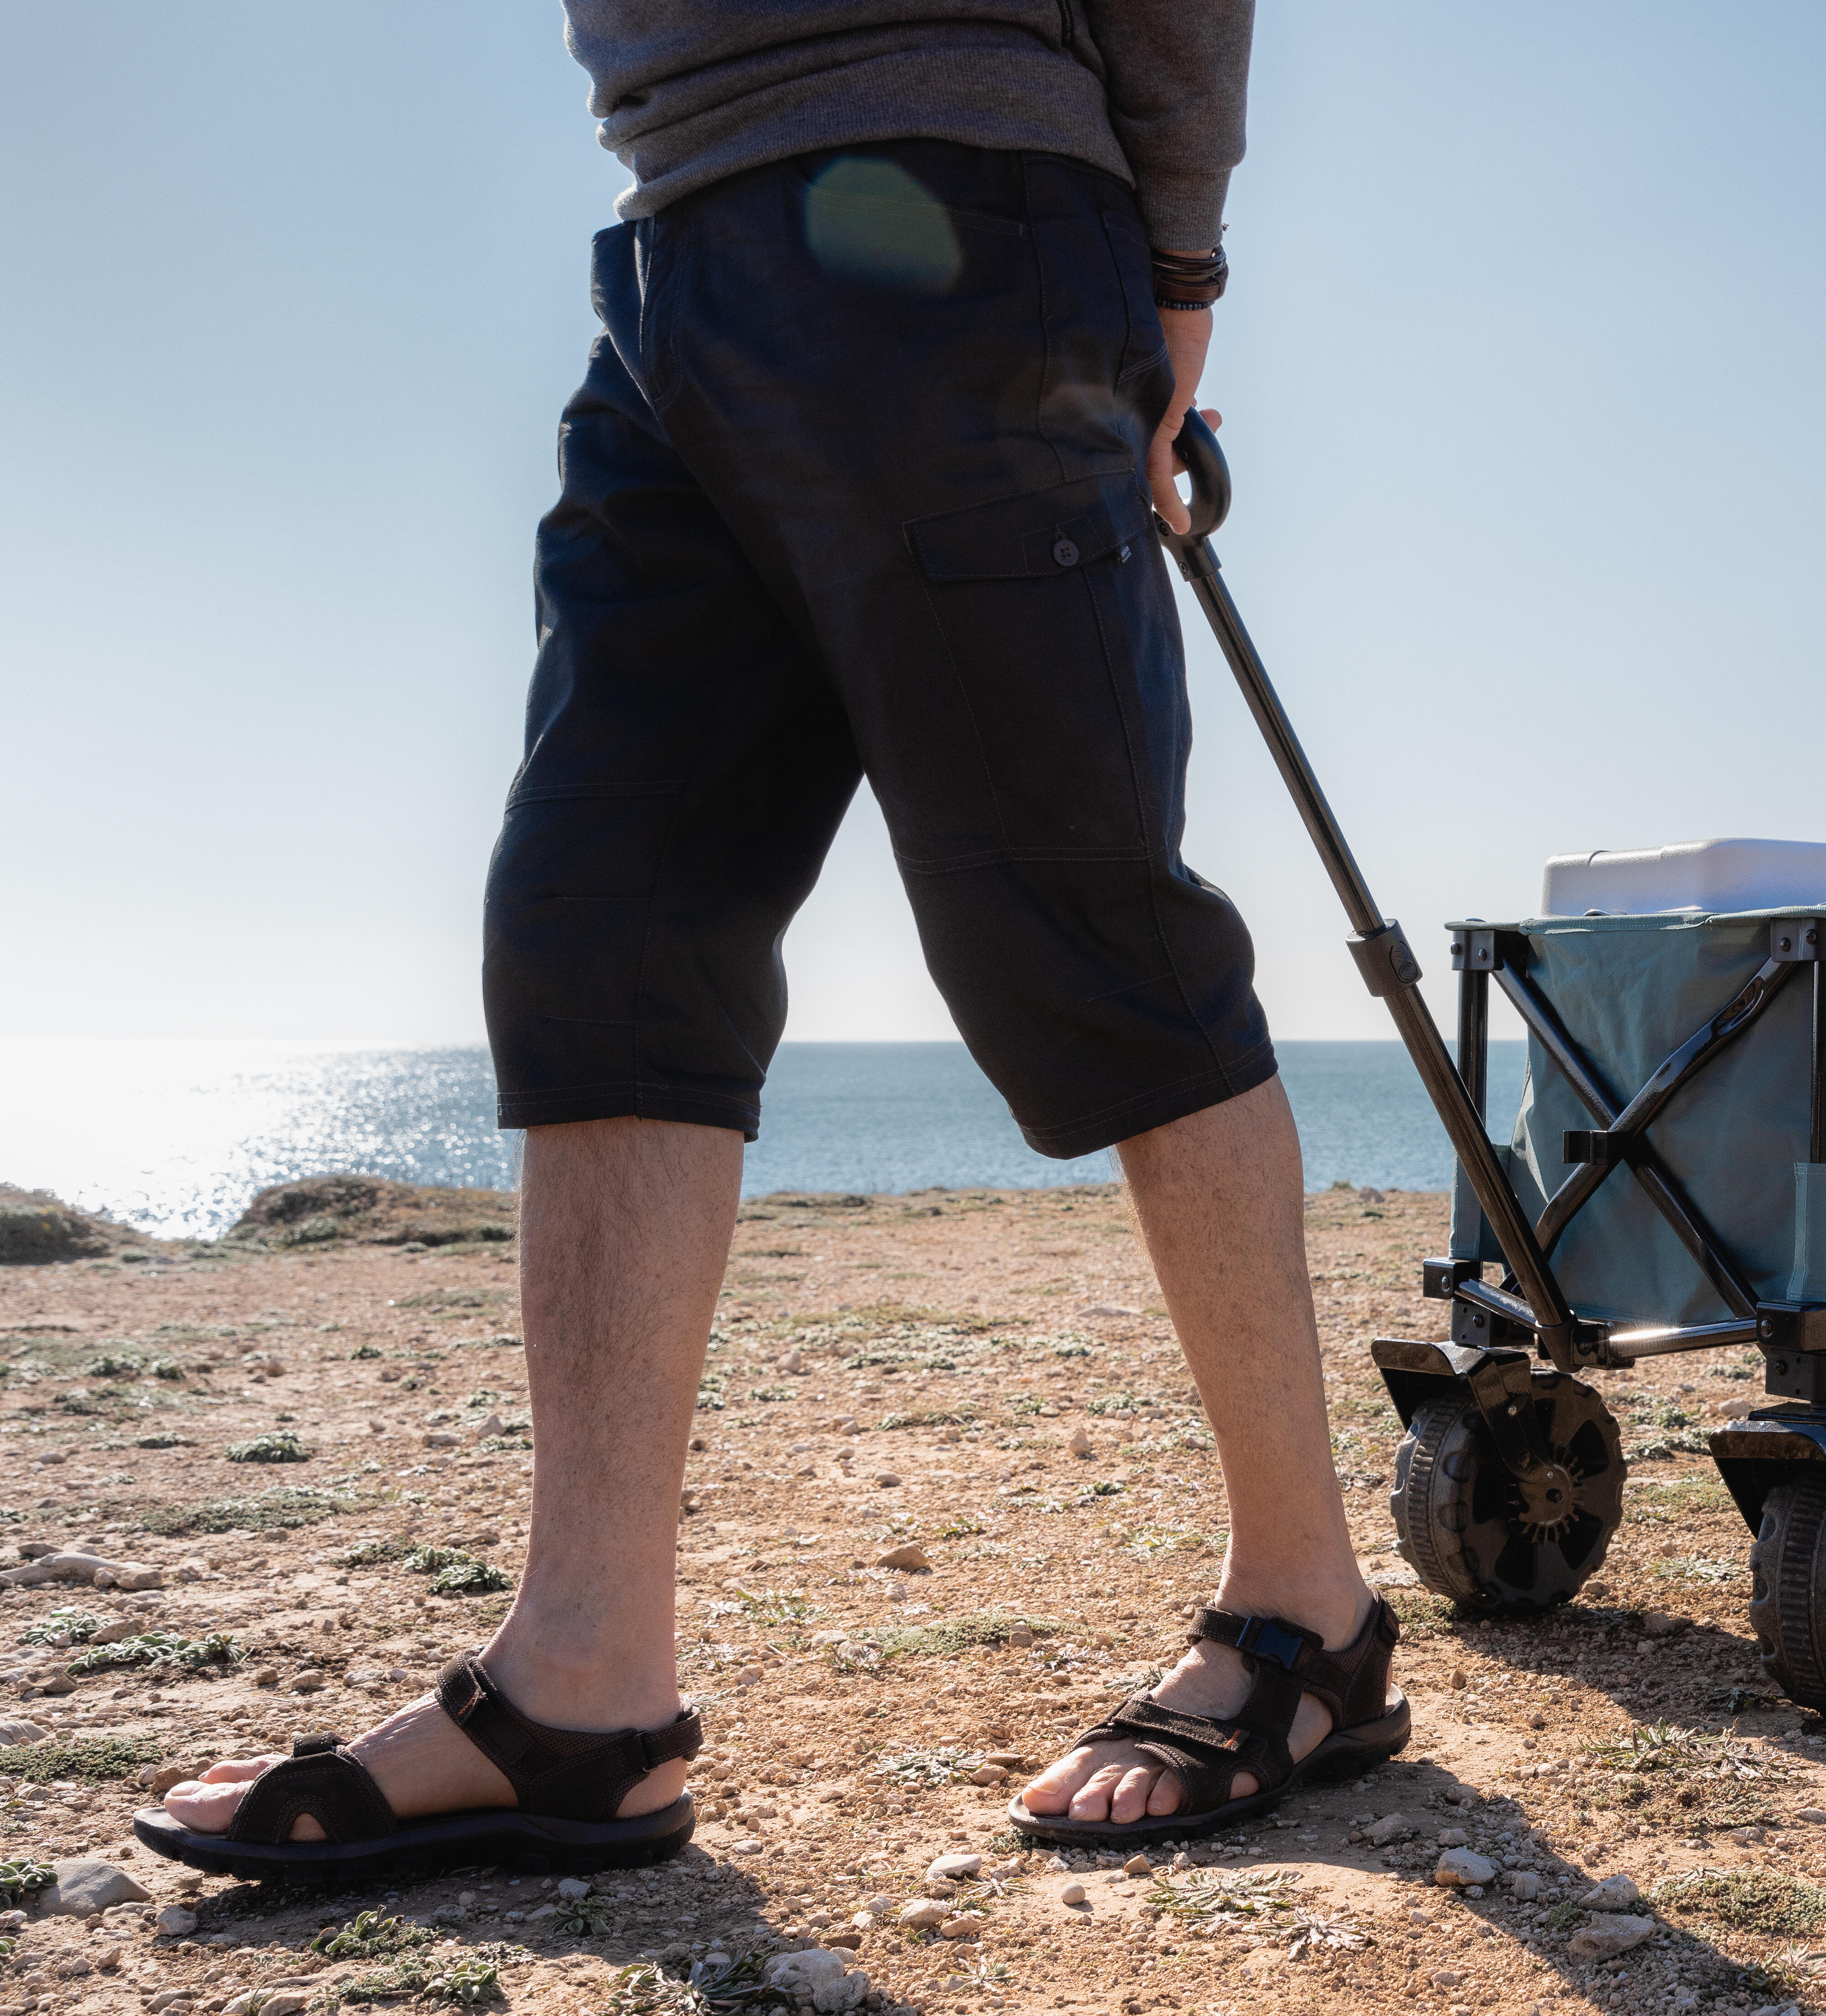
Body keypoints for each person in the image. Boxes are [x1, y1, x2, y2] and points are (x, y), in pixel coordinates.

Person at [136, 0, 1402, 1878]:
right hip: (670, 255)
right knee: (598, 926)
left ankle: (1306, 1617)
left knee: (1083, 934)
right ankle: (581, 1684)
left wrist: (1175, 269)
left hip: (964, 211)